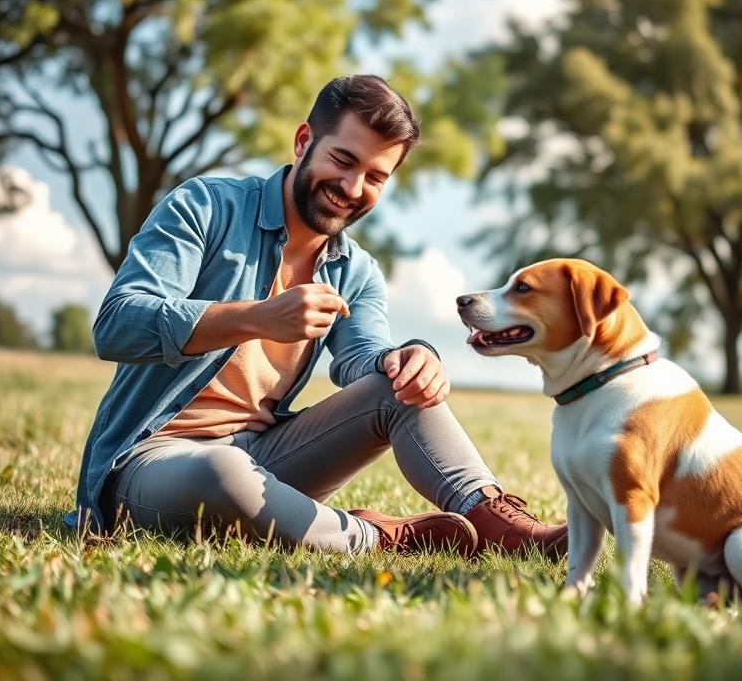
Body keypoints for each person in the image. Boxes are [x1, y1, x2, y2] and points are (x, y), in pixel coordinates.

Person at [65, 74, 567, 557]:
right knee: (220, 471)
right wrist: (257, 317)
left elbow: (362, 359)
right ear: (304, 141)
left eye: (375, 177)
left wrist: (411, 360)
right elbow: (117, 324)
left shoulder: (357, 271)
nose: (352, 188)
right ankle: (373, 537)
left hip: (267, 456)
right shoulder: (204, 207)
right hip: (152, 461)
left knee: (400, 384)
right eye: (343, 160)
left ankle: (497, 523)